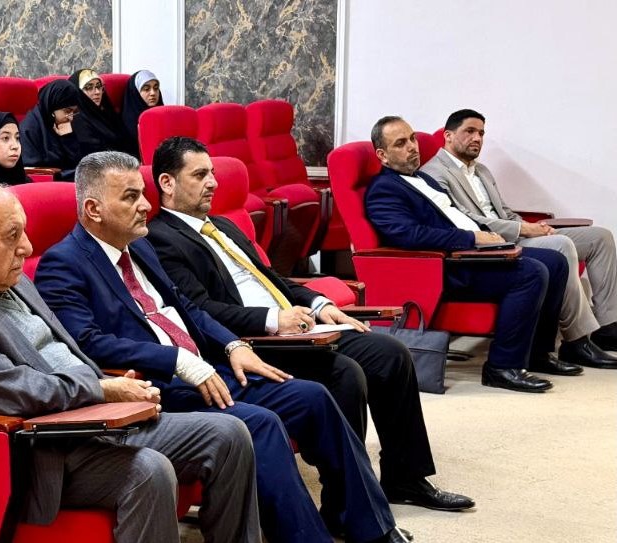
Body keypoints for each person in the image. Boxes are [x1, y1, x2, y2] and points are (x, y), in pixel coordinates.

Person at [35, 151, 448, 543]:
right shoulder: (63, 263)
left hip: (212, 368)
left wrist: (232, 345)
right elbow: (88, 342)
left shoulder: (138, 247)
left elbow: (187, 309)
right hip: (159, 385)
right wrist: (177, 359)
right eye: (130, 197)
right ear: (93, 209)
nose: (145, 205)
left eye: (142, 194)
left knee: (313, 398)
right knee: (261, 424)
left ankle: (373, 529)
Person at [0, 181, 267, 543]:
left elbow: (64, 352)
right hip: (46, 453)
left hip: (95, 420)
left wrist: (110, 386)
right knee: (147, 470)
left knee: (230, 435)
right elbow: (15, 390)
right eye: (12, 236)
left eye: (24, 232)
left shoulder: (10, 278)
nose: (27, 247)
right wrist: (100, 389)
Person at [146, 136, 473, 512]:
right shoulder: (161, 239)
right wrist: (273, 319)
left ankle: (406, 478)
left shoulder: (223, 225)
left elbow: (273, 278)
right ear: (167, 182)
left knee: (392, 353)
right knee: (344, 374)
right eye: (200, 175)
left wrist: (319, 304)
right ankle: (346, 505)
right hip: (255, 340)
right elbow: (199, 310)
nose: (213, 183)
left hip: (299, 326)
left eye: (213, 173)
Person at [366, 116, 570, 392]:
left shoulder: (424, 178)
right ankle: (502, 367)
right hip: (449, 266)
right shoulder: (383, 190)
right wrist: (472, 238)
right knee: (530, 273)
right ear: (382, 155)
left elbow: (457, 214)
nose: (412, 146)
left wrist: (489, 234)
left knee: (555, 262)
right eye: (400, 144)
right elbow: (409, 235)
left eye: (412, 138)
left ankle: (537, 353)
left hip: (476, 251)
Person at [422, 109, 617, 366]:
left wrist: (533, 225)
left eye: (481, 133)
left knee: (600, 238)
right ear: (448, 136)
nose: (477, 138)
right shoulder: (434, 173)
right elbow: (467, 219)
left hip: (516, 231)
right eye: (469, 131)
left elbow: (504, 211)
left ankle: (608, 328)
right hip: (493, 242)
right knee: (561, 245)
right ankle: (576, 341)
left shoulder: (481, 171)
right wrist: (523, 230)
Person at [19, 79, 81, 181]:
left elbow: (77, 162)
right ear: (52, 106)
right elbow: (33, 171)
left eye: (74, 112)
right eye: (67, 111)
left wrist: (67, 138)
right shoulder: (29, 129)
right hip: (44, 183)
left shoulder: (63, 124)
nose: (71, 117)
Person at [69, 68, 134, 157]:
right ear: (77, 91)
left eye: (99, 86)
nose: (97, 92)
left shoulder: (107, 112)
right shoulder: (76, 119)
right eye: (89, 88)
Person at [120, 69, 163, 159]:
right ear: (135, 92)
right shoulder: (126, 123)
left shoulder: (164, 116)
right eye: (146, 89)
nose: (153, 93)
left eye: (156, 88)